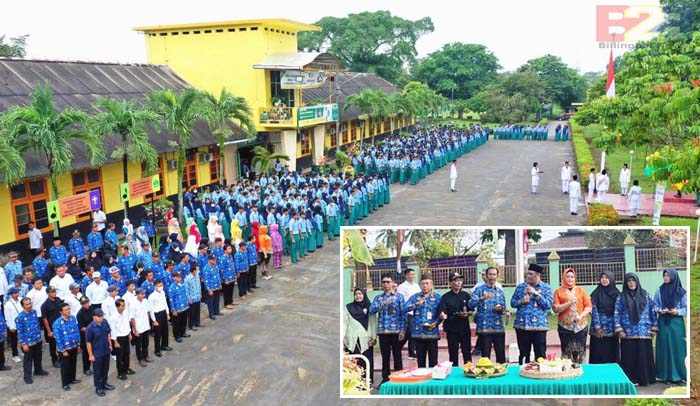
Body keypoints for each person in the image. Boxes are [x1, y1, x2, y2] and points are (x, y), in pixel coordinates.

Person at [615, 273, 657, 386]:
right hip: (628, 332)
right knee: (629, 357)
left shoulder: (645, 294)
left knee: (643, 356)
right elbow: (617, 313)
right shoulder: (621, 297)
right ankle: (631, 380)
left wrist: (654, 327)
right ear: (626, 283)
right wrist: (619, 329)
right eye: (629, 281)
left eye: (633, 280)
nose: (631, 283)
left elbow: (652, 310)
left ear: (637, 281)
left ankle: (645, 379)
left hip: (644, 331)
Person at [511, 263, 553, 364]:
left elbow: (548, 305)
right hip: (522, 326)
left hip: (539, 327)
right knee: (523, 354)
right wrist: (521, 301)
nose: (528, 276)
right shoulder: (521, 287)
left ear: (538, 275)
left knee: (540, 354)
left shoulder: (546, 288)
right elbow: (512, 303)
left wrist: (535, 293)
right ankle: (522, 373)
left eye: (530, 274)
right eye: (527, 274)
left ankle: (540, 375)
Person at [368, 272, 405, 386]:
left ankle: (399, 379)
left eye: (388, 282)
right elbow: (371, 310)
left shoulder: (399, 297)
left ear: (393, 283)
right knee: (385, 357)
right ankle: (385, 380)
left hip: (396, 331)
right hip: (383, 331)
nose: (385, 284)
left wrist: (402, 330)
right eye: (383, 282)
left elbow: (403, 314)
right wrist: (383, 304)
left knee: (397, 356)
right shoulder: (378, 297)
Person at [654, 269, 687, 384]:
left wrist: (677, 311)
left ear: (674, 277)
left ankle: (678, 375)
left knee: (677, 348)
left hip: (676, 323)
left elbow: (686, 308)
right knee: (664, 347)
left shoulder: (682, 292)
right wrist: (660, 310)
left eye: (668, 275)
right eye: (664, 275)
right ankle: (665, 375)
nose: (666, 277)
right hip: (663, 322)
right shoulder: (659, 291)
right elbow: (655, 306)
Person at [469, 266, 508, 364]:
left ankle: (501, 375)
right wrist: (481, 298)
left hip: (498, 327)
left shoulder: (500, 291)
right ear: (486, 276)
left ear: (497, 276)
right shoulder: (479, 290)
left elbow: (503, 307)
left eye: (494, 274)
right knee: (485, 357)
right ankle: (485, 374)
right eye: (490, 274)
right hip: (484, 327)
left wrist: (504, 311)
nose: (492, 277)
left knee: (501, 355)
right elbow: (470, 304)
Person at [552, 268, 592, 363]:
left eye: (572, 277)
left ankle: (581, 370)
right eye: (568, 277)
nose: (570, 279)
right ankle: (567, 371)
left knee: (581, 350)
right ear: (563, 278)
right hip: (565, 327)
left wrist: (581, 315)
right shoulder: (558, 292)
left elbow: (589, 306)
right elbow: (555, 308)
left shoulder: (581, 290)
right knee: (566, 351)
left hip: (581, 326)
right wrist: (568, 303)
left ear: (575, 278)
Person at [405, 274, 442, 368]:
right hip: (418, 333)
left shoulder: (438, 297)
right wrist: (416, 304)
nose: (425, 286)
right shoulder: (415, 297)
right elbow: (404, 308)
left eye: (427, 283)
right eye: (422, 284)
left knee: (433, 363)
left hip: (432, 334)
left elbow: (442, 313)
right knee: (420, 363)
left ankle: (432, 382)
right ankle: (422, 381)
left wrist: (436, 323)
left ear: (432, 285)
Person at [343, 288, 377, 387]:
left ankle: (367, 382)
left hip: (366, 339)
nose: (358, 296)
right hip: (352, 338)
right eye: (356, 294)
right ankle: (354, 382)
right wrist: (343, 336)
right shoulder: (348, 307)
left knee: (366, 360)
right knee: (353, 361)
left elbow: (373, 322)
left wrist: (374, 337)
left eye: (360, 294)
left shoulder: (370, 307)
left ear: (364, 295)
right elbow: (344, 322)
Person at [438, 271, 472, 366]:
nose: (459, 282)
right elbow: (442, 311)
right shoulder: (445, 297)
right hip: (452, 329)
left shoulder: (466, 295)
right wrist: (443, 315)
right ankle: (453, 374)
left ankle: (469, 371)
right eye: (456, 281)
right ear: (450, 283)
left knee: (467, 353)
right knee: (453, 354)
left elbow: (471, 310)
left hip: (464, 328)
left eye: (460, 280)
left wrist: (468, 313)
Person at [589, 271, 621, 364]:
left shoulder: (616, 294)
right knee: (598, 353)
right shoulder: (596, 293)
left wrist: (618, 327)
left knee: (611, 354)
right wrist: (597, 327)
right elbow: (593, 310)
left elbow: (618, 311)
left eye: (607, 278)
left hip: (612, 329)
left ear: (611, 279)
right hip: (598, 330)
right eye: (602, 278)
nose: (604, 280)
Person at [16, 297, 49, 384]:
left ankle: (38, 370)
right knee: (28, 360)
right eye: (27, 304)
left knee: (38, 357)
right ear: (23, 306)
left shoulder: (34, 312)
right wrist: (23, 344)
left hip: (37, 339)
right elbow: (20, 332)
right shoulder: (20, 317)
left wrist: (40, 338)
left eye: (30, 303)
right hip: (28, 342)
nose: (29, 305)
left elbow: (37, 325)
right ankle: (27, 376)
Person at [52, 302, 81, 391]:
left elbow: (76, 331)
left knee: (73, 363)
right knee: (65, 366)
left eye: (69, 309)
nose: (68, 311)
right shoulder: (57, 323)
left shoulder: (72, 318)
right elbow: (58, 338)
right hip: (65, 348)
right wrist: (63, 350)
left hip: (74, 345)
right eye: (66, 310)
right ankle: (65, 383)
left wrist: (78, 344)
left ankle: (72, 379)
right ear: (61, 312)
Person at [85, 308, 113, 396]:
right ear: (94, 317)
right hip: (97, 353)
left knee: (105, 369)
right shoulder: (90, 328)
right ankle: (98, 387)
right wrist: (90, 355)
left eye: (102, 316)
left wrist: (110, 345)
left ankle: (104, 384)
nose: (101, 318)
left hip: (106, 350)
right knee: (97, 371)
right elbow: (88, 342)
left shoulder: (105, 322)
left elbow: (108, 334)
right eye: (99, 316)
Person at [396, 268, 420, 360]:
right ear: (406, 275)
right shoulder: (402, 287)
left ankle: (411, 352)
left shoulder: (416, 286)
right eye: (411, 274)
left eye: (414, 274)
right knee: (408, 332)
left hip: (416, 311)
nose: (413, 276)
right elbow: (400, 299)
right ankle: (398, 347)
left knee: (413, 332)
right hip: (407, 311)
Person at [108, 298, 133, 380]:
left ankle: (126, 369)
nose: (124, 307)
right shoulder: (113, 317)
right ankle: (120, 373)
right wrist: (115, 341)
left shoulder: (125, 313)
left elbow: (127, 324)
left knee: (127, 353)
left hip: (126, 335)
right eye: (122, 306)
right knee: (120, 356)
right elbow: (113, 330)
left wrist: (129, 333)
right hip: (119, 338)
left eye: (124, 305)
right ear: (117, 307)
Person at [129, 288, 154, 367]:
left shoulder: (145, 301)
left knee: (146, 343)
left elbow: (148, 312)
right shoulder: (133, 304)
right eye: (142, 294)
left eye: (144, 294)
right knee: (138, 345)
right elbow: (132, 318)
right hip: (138, 328)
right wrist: (135, 330)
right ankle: (140, 359)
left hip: (145, 326)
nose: (144, 295)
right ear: (138, 294)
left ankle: (146, 355)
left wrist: (149, 323)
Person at [40, 286, 63, 368]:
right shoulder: (45, 305)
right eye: (52, 292)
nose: (54, 293)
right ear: (48, 293)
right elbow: (45, 319)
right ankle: (54, 360)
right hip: (52, 327)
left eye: (54, 291)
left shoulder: (58, 299)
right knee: (53, 345)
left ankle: (61, 358)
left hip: (61, 325)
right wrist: (49, 331)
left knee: (62, 342)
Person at [148, 279, 171, 357]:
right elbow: (151, 309)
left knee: (165, 331)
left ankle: (164, 345)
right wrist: (154, 320)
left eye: (161, 285)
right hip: (157, 314)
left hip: (163, 312)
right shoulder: (151, 296)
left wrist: (167, 313)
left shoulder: (163, 292)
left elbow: (165, 303)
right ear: (155, 286)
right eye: (159, 286)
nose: (161, 287)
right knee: (158, 333)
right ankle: (157, 350)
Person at [168, 271, 190, 343]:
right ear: (174, 278)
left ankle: (183, 333)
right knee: (177, 323)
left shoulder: (182, 284)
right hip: (177, 308)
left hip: (184, 306)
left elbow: (185, 294)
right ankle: (177, 336)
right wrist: (173, 310)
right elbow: (171, 300)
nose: (180, 278)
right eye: (178, 277)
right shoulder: (172, 287)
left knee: (184, 321)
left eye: (180, 276)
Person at [4, 287, 22, 363]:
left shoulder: (21, 300)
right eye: (14, 293)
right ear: (11, 294)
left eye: (17, 292)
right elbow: (7, 317)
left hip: (22, 323)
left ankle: (23, 350)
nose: (16, 294)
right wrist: (11, 326)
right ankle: (15, 355)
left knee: (23, 338)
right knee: (14, 341)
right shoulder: (7, 304)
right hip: (13, 325)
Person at [201, 255, 222, 320]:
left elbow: (218, 276)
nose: (215, 261)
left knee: (217, 300)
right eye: (213, 260)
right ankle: (211, 314)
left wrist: (220, 284)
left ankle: (217, 311)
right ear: (210, 260)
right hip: (211, 287)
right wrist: (209, 289)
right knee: (210, 302)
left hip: (216, 286)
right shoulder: (206, 268)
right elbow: (206, 280)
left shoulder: (215, 266)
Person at [76, 297, 93, 375]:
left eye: (87, 302)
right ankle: (86, 368)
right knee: (86, 353)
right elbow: (82, 327)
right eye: (84, 303)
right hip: (86, 335)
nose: (86, 304)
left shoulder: (92, 309)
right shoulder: (80, 314)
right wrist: (91, 329)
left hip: (94, 334)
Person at [184, 263, 202, 331]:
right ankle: (191, 325)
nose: (198, 270)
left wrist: (200, 294)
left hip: (197, 296)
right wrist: (189, 299)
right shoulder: (187, 279)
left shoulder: (197, 276)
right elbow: (186, 290)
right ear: (193, 270)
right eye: (197, 269)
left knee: (197, 311)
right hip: (192, 298)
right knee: (191, 313)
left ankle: (197, 322)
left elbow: (199, 285)